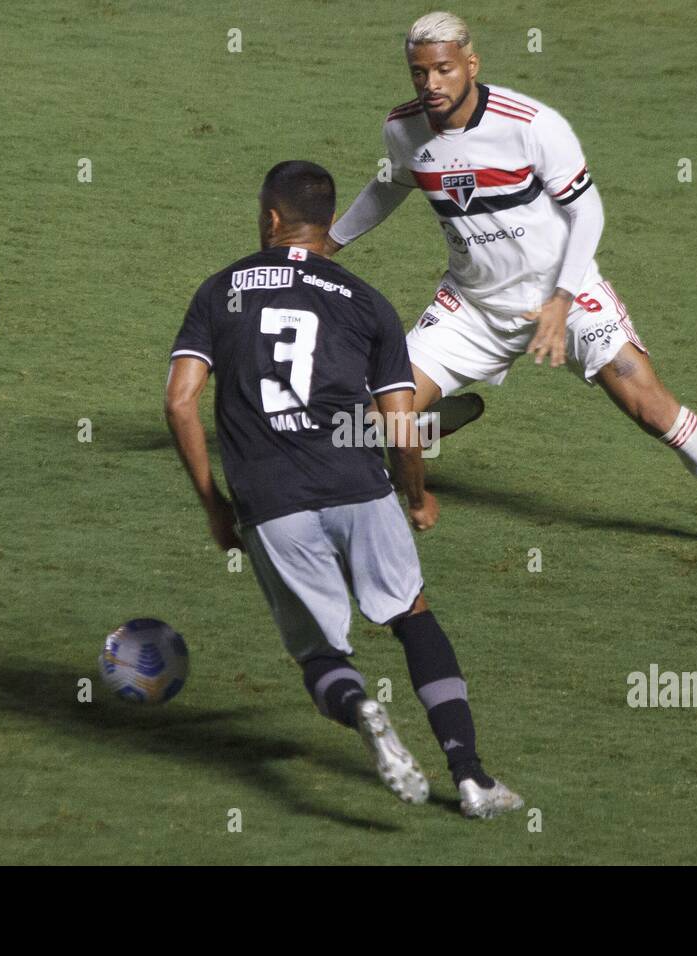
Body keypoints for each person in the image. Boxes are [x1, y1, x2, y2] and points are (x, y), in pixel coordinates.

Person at [326, 12, 697, 565]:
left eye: (444, 70)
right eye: (418, 73)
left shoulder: (531, 125)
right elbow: (389, 187)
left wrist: (562, 300)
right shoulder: (403, 129)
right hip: (471, 308)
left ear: (471, 66)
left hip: (565, 296)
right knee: (369, 423)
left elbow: (587, 212)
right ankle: (426, 423)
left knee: (649, 406)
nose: (431, 84)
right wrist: (328, 245)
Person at [165, 160, 522, 819]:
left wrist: (214, 503)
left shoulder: (220, 293)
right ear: (328, 224)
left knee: (322, 652)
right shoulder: (366, 302)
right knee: (411, 614)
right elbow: (401, 422)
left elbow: (181, 404)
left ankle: (360, 707)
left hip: (271, 505)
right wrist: (414, 495)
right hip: (359, 487)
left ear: (272, 219)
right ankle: (471, 776)